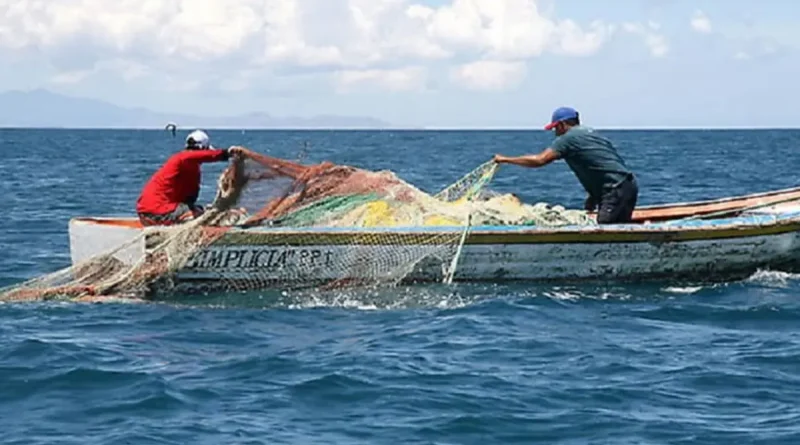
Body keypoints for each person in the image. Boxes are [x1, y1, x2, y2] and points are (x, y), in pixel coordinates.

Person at [493, 107, 638, 224]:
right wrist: (593, 196)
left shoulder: (568, 138)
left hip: (614, 189)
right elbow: (602, 164)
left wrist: (505, 159)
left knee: (605, 231)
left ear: (562, 125)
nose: (555, 133)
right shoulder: (593, 134)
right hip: (627, 185)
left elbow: (540, 160)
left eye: (555, 128)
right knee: (619, 226)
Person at [136, 129, 254, 226]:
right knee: (201, 216)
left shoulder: (189, 167)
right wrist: (228, 153)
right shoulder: (183, 159)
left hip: (148, 212)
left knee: (201, 211)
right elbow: (207, 156)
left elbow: (189, 199)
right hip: (156, 212)